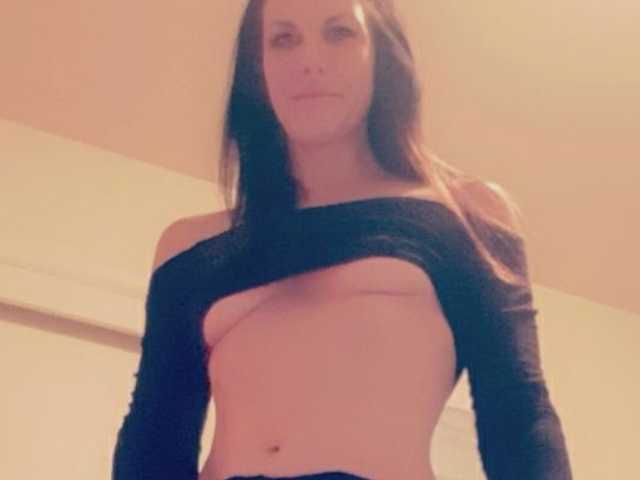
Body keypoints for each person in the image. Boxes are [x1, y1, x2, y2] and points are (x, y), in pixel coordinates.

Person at [112, 0, 573, 479]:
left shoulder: (465, 216)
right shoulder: (190, 247)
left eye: (339, 32)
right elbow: (154, 438)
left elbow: (518, 417)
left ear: (381, 54)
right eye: (284, 39)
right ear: (257, 68)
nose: (311, 60)